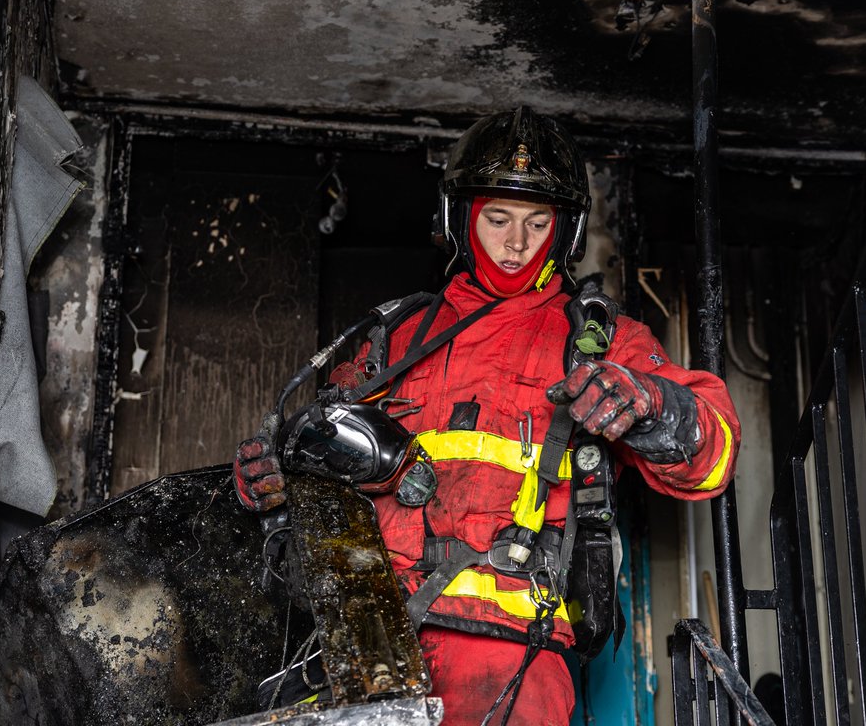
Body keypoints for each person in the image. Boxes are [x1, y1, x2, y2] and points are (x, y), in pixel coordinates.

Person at [233, 106, 740, 726]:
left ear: (566, 232)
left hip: (512, 660)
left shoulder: (602, 341)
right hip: (367, 646)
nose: (516, 243)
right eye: (497, 218)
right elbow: (325, 472)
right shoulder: (396, 337)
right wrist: (279, 484)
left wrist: (651, 401)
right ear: (459, 218)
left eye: (536, 221)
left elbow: (711, 463)